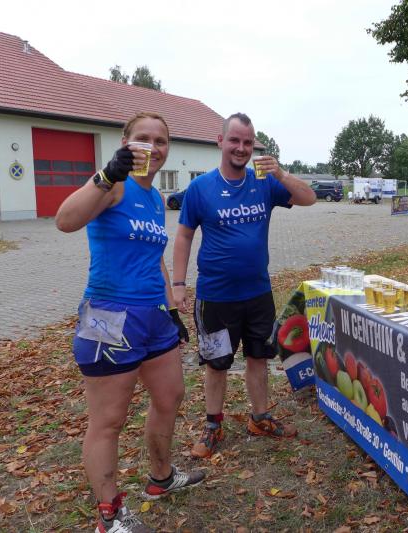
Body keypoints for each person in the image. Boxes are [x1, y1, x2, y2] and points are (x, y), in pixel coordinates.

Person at [55, 112, 203, 533]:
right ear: (126, 142)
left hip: (153, 317)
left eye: (161, 140)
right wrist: (105, 175)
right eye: (144, 138)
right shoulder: (114, 185)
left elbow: (154, 258)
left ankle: (160, 477)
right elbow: (65, 220)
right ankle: (109, 516)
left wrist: (171, 310)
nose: (153, 147)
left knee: (170, 396)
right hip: (107, 317)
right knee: (109, 420)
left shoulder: (155, 198)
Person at [172, 113, 316, 459]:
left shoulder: (264, 183)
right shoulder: (200, 188)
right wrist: (178, 284)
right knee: (216, 363)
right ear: (220, 141)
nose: (241, 148)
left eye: (248, 142)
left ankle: (260, 418)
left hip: (257, 293)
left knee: (258, 357)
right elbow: (184, 236)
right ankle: (213, 425)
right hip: (215, 296)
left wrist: (281, 174)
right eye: (235, 140)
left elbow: (309, 198)